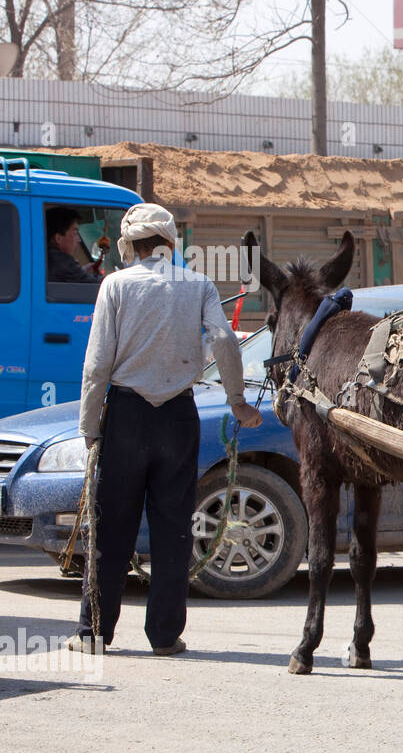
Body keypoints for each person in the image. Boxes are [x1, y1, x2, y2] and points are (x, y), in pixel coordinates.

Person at [68, 203, 262, 656]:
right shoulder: (198, 285)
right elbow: (224, 339)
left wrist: (90, 429)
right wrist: (237, 402)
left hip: (126, 418)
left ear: (131, 247)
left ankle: (93, 634)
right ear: (170, 245)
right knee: (173, 529)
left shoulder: (114, 285)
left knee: (112, 527)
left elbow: (97, 365)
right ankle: (165, 635)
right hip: (178, 417)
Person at [46, 206, 101, 286]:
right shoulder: (62, 261)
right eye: (75, 233)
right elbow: (97, 284)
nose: (78, 239)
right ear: (58, 238)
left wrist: (82, 271)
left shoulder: (49, 258)